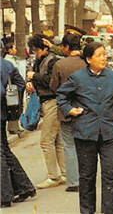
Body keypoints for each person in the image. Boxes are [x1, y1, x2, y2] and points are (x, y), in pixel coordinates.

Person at [56, 42, 113, 214]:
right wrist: (69, 110)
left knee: (110, 174)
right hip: (85, 132)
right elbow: (62, 96)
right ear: (89, 59)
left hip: (109, 132)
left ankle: (111, 210)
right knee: (87, 175)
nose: (103, 58)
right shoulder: (77, 78)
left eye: (104, 54)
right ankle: (87, 210)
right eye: (99, 55)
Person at [26, 34, 66, 189]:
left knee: (46, 140)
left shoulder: (52, 60)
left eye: (37, 50)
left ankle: (53, 176)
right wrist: (31, 82)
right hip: (47, 101)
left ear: (44, 47)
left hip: (52, 102)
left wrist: (34, 76)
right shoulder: (40, 60)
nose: (36, 53)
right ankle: (63, 173)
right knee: (58, 140)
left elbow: (51, 81)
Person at [49, 33, 86, 193]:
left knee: (69, 146)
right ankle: (86, 178)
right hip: (86, 110)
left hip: (66, 110)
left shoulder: (60, 65)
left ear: (66, 47)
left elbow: (53, 86)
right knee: (85, 146)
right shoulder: (87, 63)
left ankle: (74, 181)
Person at [1, 57, 36, 208]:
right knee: (4, 150)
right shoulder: (6, 64)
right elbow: (20, 84)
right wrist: (11, 103)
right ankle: (24, 187)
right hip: (3, 112)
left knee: (1, 152)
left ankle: (4, 194)